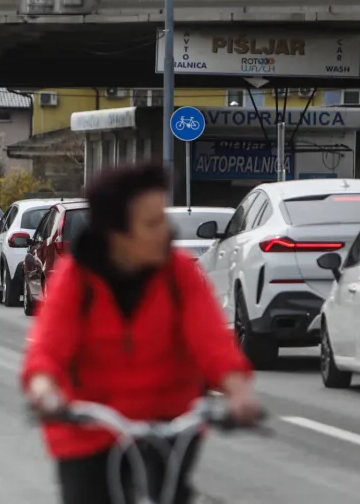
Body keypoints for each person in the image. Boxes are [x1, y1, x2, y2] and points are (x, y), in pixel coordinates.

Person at [20, 163, 261, 504]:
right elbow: (47, 350)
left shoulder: (178, 274)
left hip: (167, 425)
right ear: (116, 232)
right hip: (88, 430)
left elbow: (212, 341)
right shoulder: (76, 279)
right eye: (152, 223)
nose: (166, 231)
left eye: (163, 218)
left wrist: (238, 390)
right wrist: (45, 392)